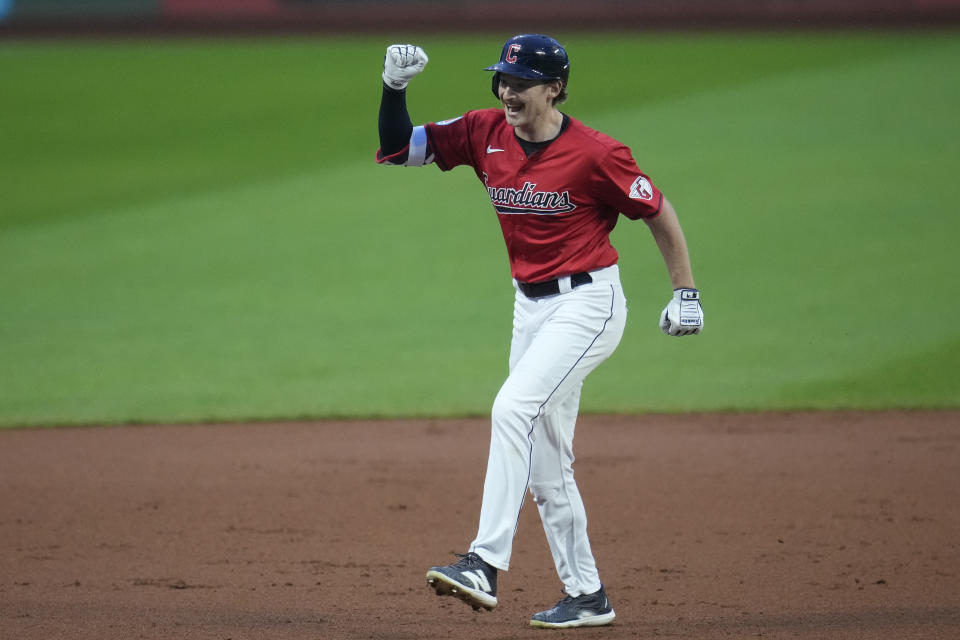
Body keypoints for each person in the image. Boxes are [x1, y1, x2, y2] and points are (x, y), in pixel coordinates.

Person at [376, 35, 704, 629]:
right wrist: (393, 89)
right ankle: (588, 596)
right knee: (548, 469)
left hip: (589, 304)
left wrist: (686, 292)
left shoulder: (596, 153)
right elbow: (401, 148)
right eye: (502, 79)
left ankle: (483, 561)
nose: (508, 91)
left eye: (521, 82)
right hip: (530, 309)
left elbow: (657, 209)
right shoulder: (484, 133)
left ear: (554, 88)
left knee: (512, 408)